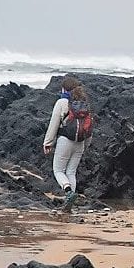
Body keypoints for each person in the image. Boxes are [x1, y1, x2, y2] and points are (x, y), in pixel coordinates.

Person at [43, 77, 92, 211]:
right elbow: (88, 127)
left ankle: (68, 191)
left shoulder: (62, 102)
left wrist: (48, 143)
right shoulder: (84, 103)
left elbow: (54, 124)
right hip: (80, 142)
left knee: (58, 170)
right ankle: (69, 203)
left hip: (65, 140)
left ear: (64, 89)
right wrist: (86, 144)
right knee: (71, 172)